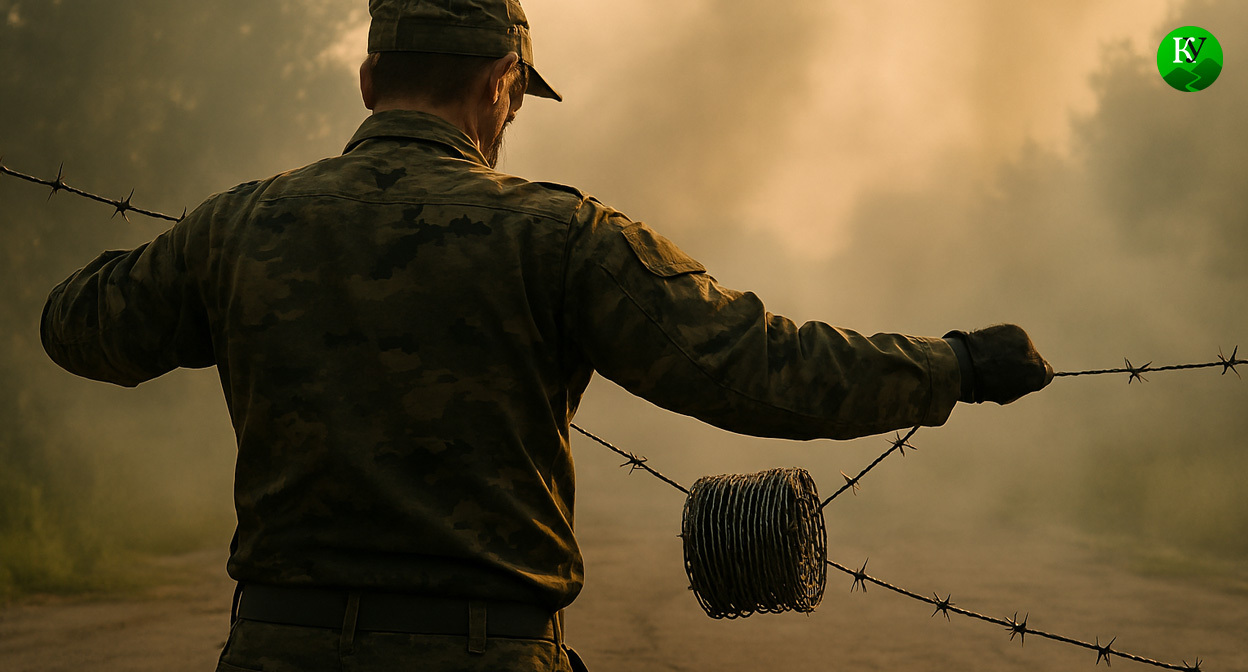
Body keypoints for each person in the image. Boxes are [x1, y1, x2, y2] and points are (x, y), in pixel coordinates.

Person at [39, 1, 1052, 670]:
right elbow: (753, 366)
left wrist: (208, 252)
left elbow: (79, 328)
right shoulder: (561, 236)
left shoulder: (238, 226)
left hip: (276, 653)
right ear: (500, 83)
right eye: (516, 96)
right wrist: (953, 364)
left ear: (368, 81)